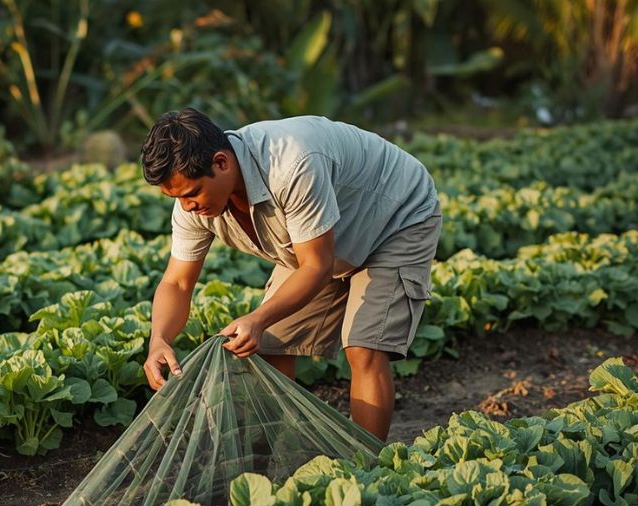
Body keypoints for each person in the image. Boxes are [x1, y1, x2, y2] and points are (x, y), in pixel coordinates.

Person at [140, 108, 441, 442]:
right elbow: (177, 282)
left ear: (221, 163)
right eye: (176, 198)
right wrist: (159, 339)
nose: (187, 206)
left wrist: (257, 318)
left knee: (364, 348)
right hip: (320, 240)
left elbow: (316, 266)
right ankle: (280, 454)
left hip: (395, 220)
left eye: (191, 194)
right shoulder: (193, 202)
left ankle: (368, 462)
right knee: (269, 344)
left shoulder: (292, 164)